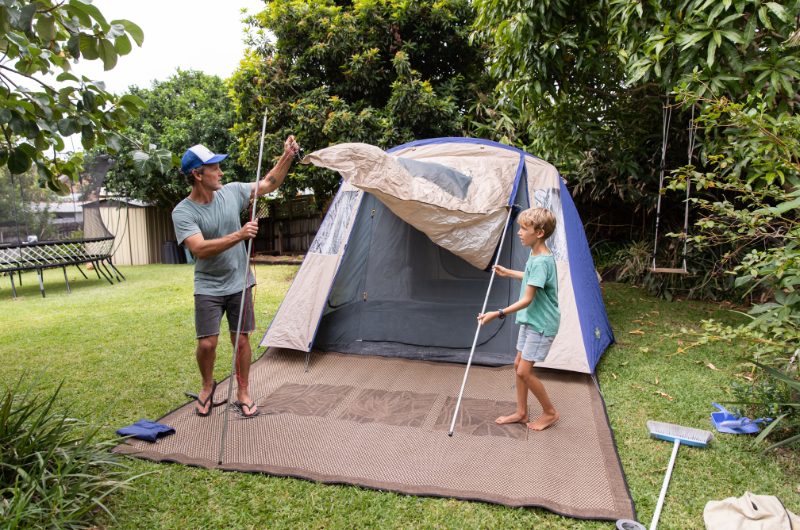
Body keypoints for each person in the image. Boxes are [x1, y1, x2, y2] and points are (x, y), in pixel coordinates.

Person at [172, 137, 298, 417]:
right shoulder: (183, 212)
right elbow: (200, 250)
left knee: (240, 340)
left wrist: (287, 156)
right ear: (197, 174)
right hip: (208, 285)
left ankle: (243, 391)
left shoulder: (231, 192)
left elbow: (269, 184)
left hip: (239, 281)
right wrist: (239, 235)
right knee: (207, 342)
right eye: (215, 168)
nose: (221, 173)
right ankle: (207, 387)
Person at [477, 207, 561, 431]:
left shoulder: (542, 260)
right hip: (531, 321)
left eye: (525, 229)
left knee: (524, 371)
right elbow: (533, 277)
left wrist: (498, 313)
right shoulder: (536, 255)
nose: (519, 233)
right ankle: (522, 413)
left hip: (541, 324)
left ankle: (550, 413)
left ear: (540, 233)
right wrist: (509, 272)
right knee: (518, 365)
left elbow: (527, 299)